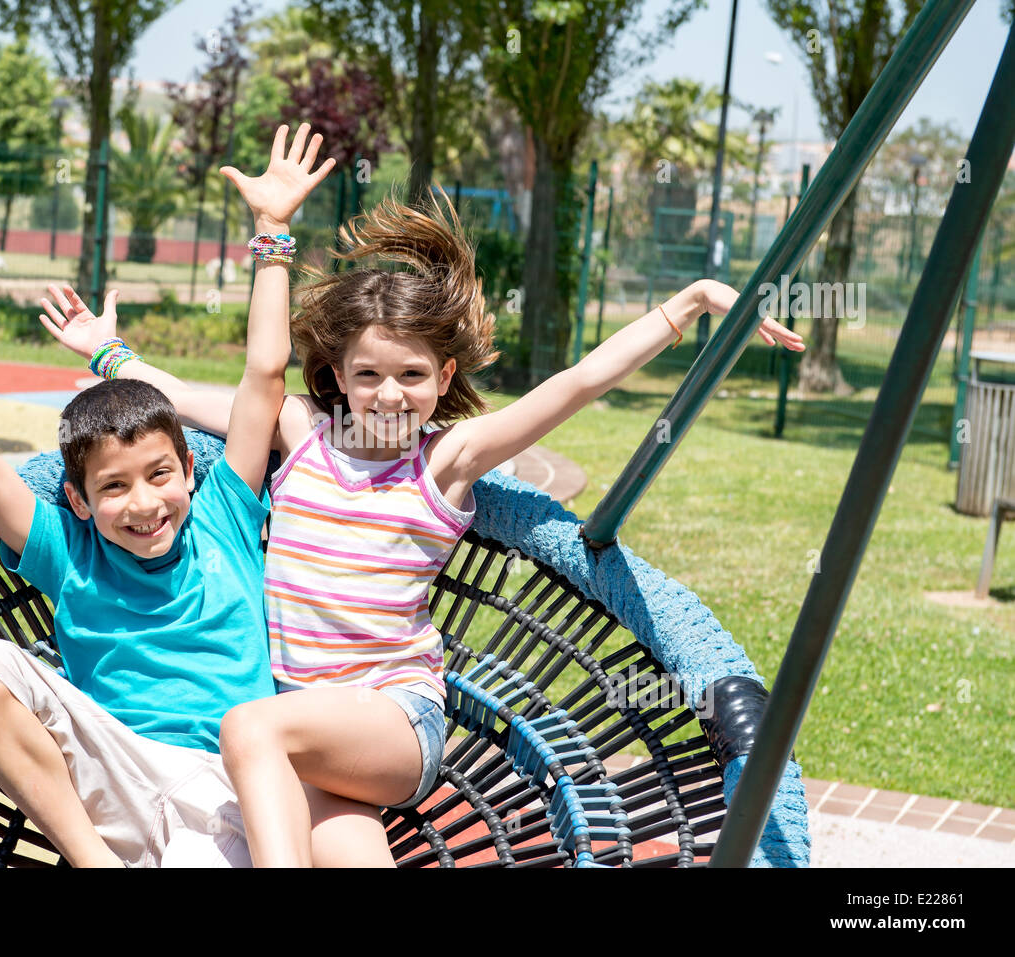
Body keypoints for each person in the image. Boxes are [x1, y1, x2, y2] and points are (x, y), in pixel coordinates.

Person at [40, 188, 807, 867]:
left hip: (389, 724)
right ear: (338, 375)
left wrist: (692, 304)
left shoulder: (445, 462)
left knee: (246, 727)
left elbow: (575, 383)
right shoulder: (300, 430)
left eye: (412, 375)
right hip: (302, 743)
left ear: (443, 381)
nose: (388, 395)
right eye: (368, 375)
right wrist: (103, 350)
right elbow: (175, 394)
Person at [0, 122, 357, 867]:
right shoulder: (68, 549)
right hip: (115, 775)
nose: (145, 503)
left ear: (191, 469)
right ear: (80, 498)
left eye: (161, 475)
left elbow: (264, 373)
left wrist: (272, 230)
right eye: (114, 487)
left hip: (230, 788)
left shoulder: (227, 508)